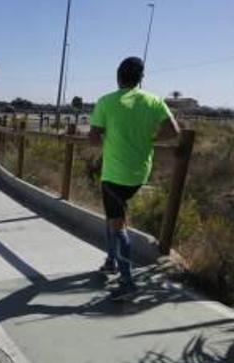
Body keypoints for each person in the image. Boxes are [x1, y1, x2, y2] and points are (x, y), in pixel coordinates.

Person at [88, 57, 180, 299]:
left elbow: (93, 138)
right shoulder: (154, 101)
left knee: (118, 226)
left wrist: (107, 135)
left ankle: (127, 281)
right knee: (113, 218)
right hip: (139, 173)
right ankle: (110, 261)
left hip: (114, 174)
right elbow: (173, 131)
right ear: (141, 78)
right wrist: (150, 140)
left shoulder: (106, 101)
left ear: (118, 76)